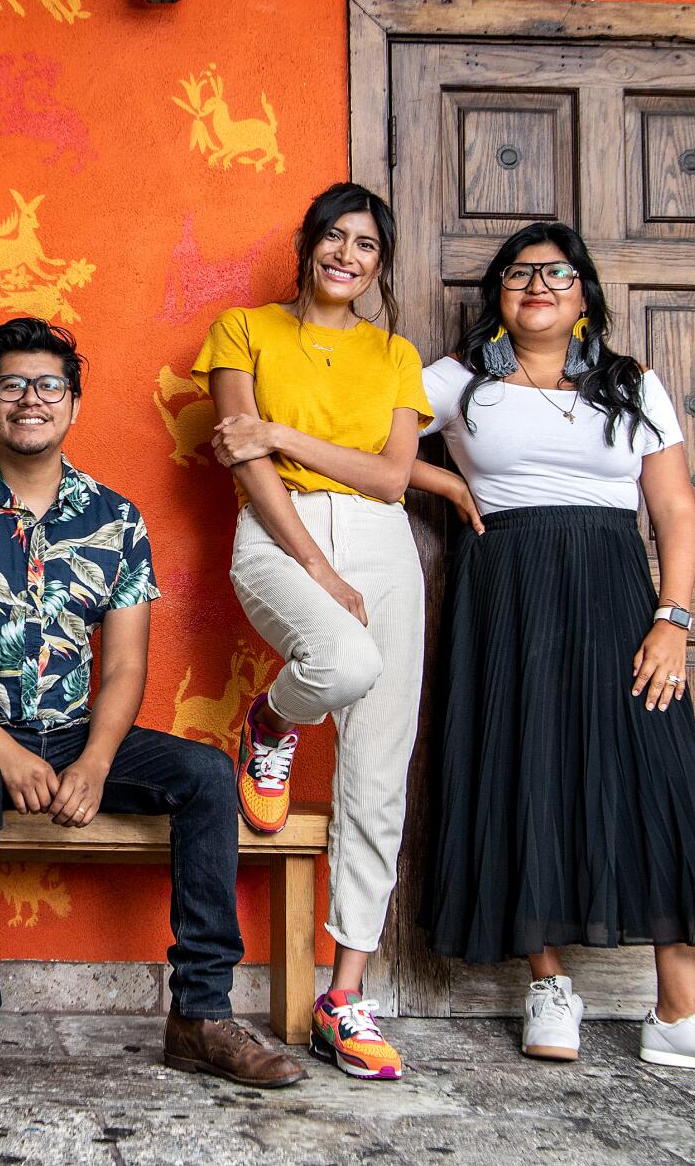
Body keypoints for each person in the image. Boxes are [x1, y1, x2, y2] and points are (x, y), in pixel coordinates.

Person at [410, 221, 695, 1082]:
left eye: (557, 272)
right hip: (507, 597)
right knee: (527, 770)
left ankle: (682, 1009)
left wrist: (674, 617)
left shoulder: (633, 384)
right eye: (520, 274)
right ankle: (547, 982)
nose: (538, 285)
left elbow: (674, 510)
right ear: (498, 297)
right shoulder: (456, 380)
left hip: (621, 594)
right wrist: (439, 475)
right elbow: (365, 440)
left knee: (662, 777)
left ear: (584, 291)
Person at [0, 317, 306, 1124]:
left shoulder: (115, 518)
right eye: (13, 384)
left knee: (208, 774)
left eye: (48, 385)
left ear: (73, 403)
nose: (30, 399)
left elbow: (124, 667)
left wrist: (96, 762)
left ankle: (200, 1014)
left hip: (73, 731)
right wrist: (5, 749)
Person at [197, 182, 429, 1080]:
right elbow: (244, 458)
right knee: (340, 656)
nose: (349, 255)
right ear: (307, 246)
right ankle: (274, 721)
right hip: (280, 527)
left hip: (383, 545)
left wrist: (283, 428)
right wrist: (319, 569)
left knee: (378, 770)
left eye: (367, 244)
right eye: (335, 237)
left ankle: (344, 996)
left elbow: (391, 477)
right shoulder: (244, 328)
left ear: (380, 263)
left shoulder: (396, 354)